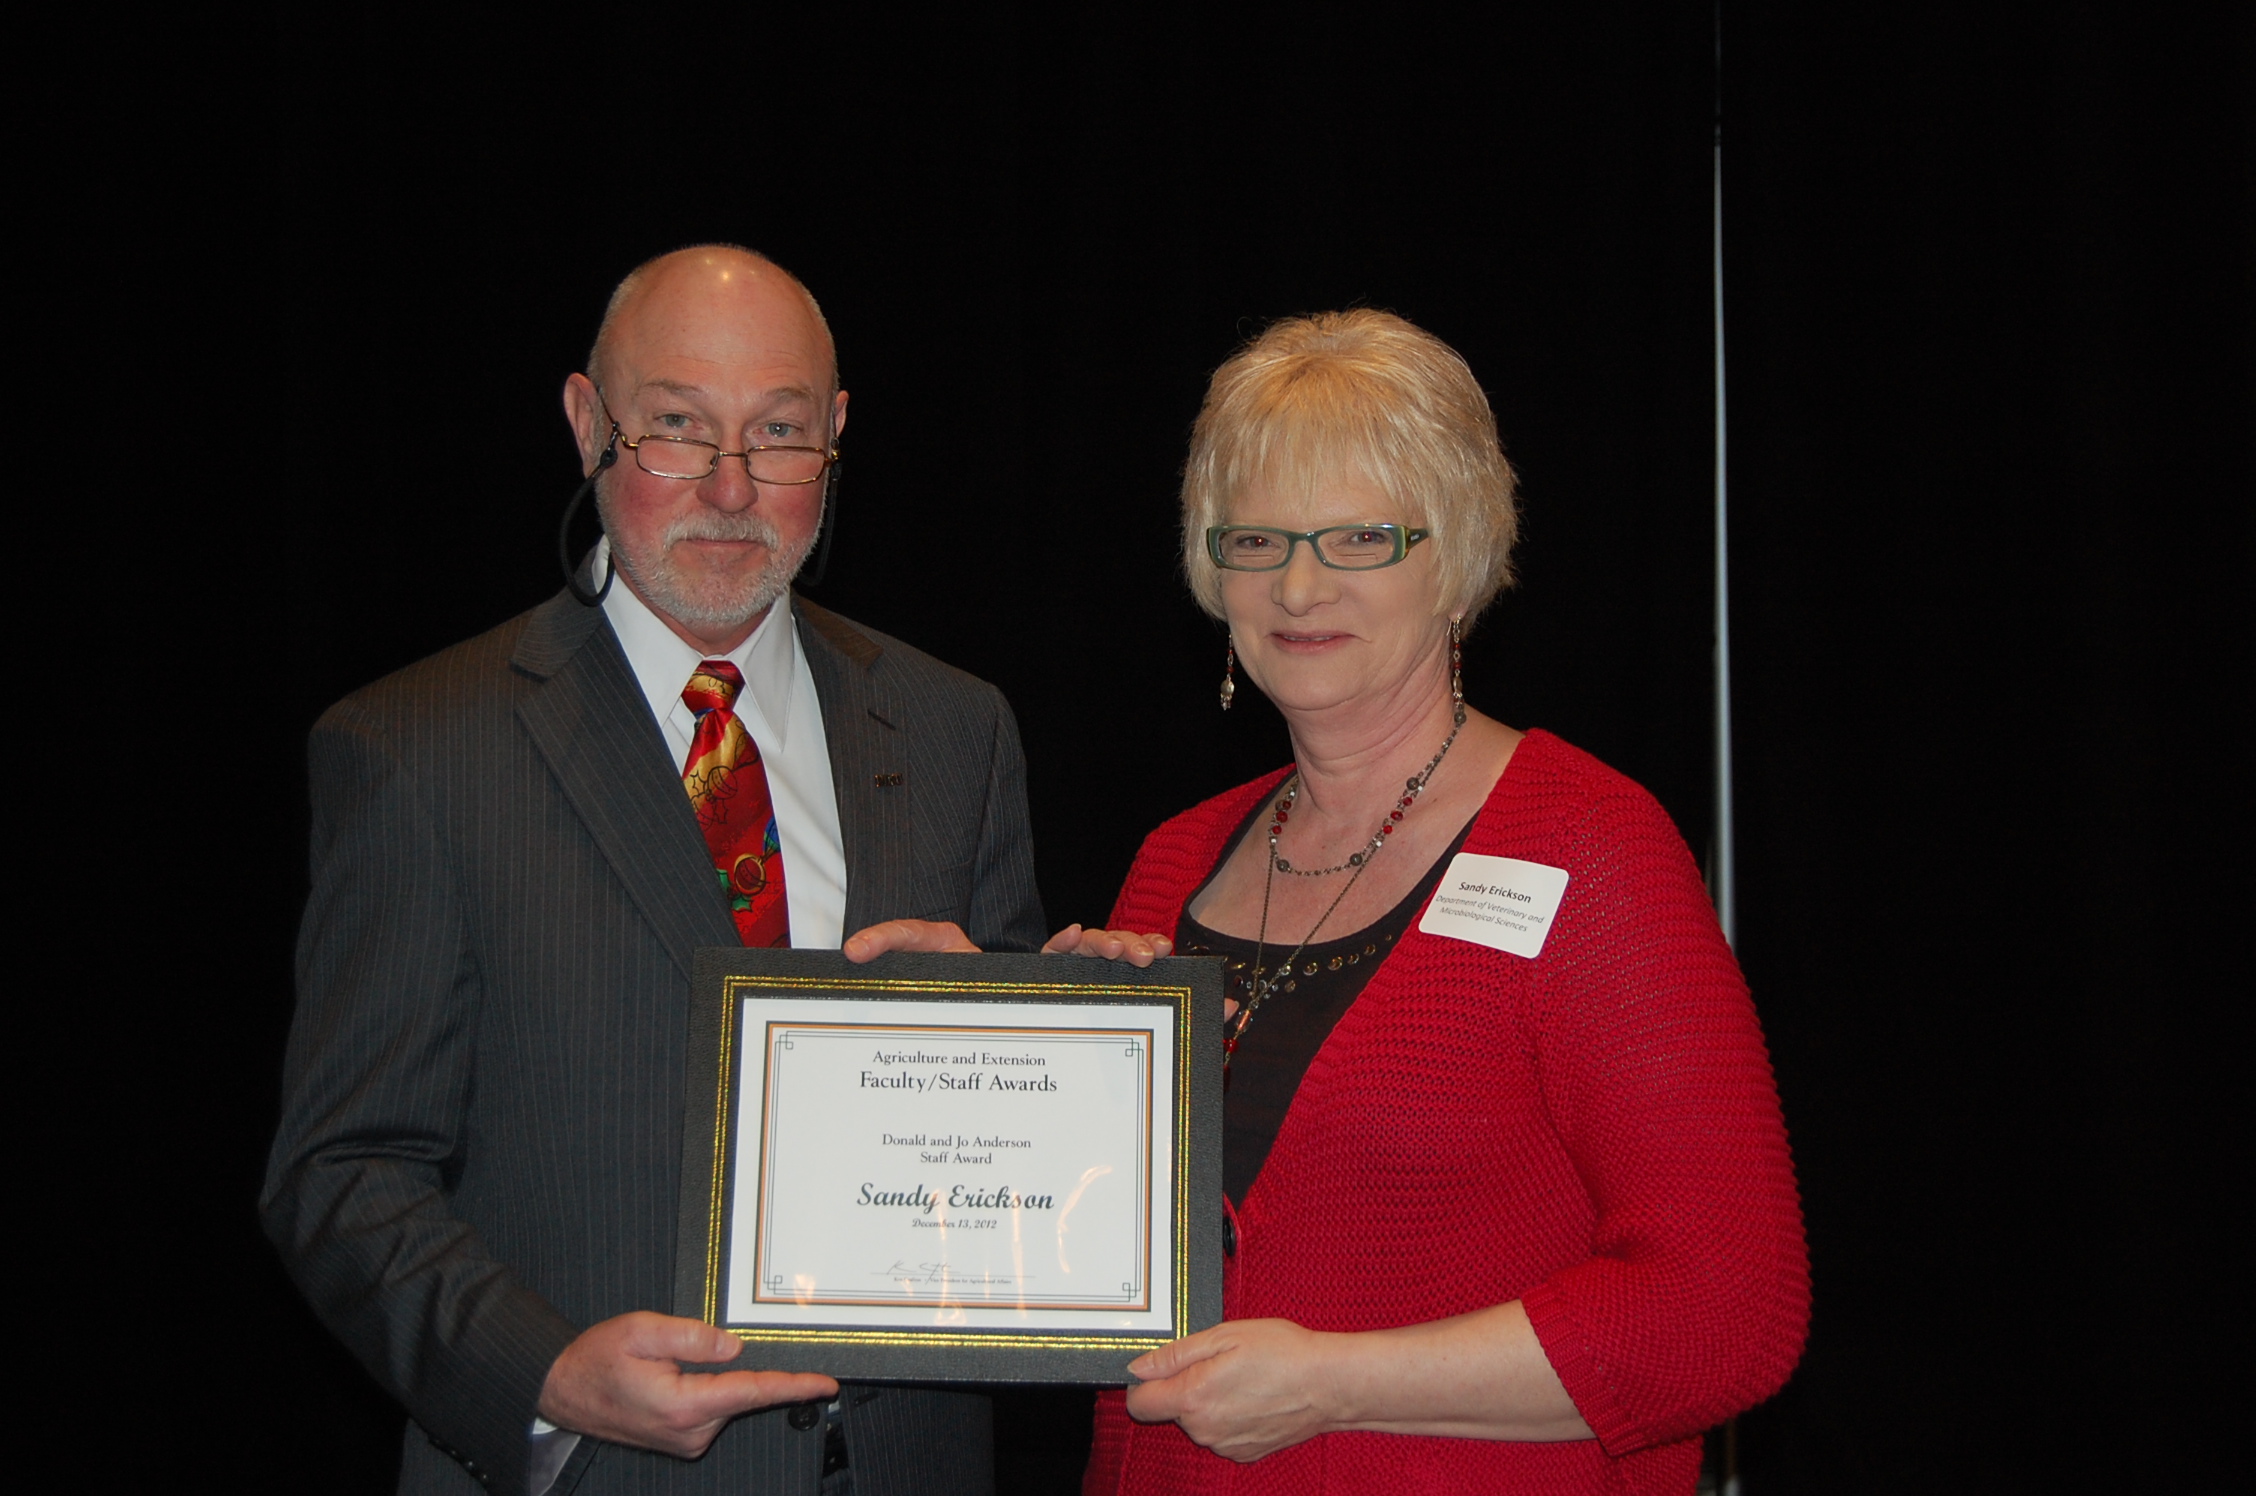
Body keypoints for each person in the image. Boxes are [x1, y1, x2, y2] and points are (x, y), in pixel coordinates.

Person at [263, 245, 1044, 1496]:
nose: (731, 488)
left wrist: (1075, 1030)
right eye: (677, 428)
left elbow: (1011, 1155)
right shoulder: (414, 746)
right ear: (588, 425)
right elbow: (342, 1171)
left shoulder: (957, 731)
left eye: (779, 433)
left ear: (836, 436)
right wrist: (545, 1375)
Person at [1052, 310, 1809, 1494]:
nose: (1298, 583)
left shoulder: (1590, 850)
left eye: (1359, 536)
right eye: (1257, 537)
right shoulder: (1172, 859)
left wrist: (1339, 1380)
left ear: (1454, 557)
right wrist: (984, 1032)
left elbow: (1726, 1312)